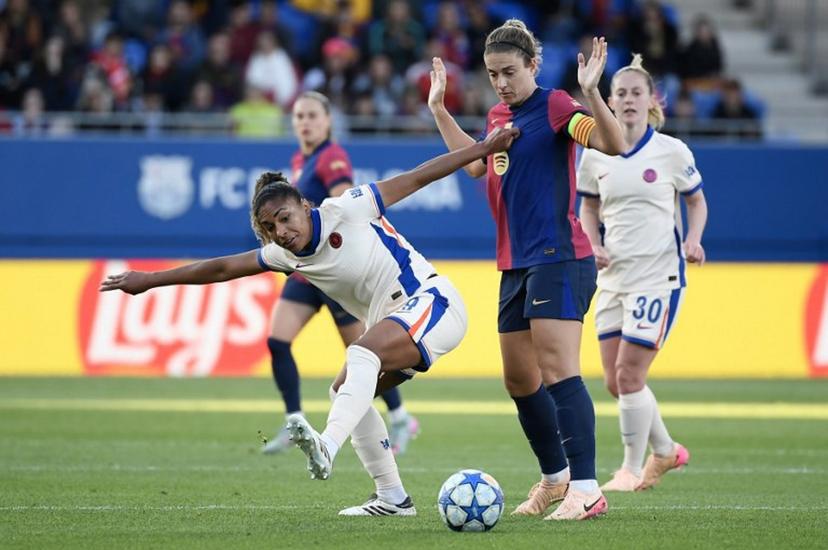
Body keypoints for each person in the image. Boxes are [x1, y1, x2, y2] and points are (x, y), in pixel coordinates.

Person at [100, 125, 520, 516]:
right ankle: (392, 498)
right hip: (398, 322)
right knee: (344, 390)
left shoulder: (349, 208)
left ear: (305, 205)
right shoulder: (285, 255)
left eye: (285, 218)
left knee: (361, 352)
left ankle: (327, 445)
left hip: (433, 301)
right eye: (269, 228)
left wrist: (482, 149)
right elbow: (222, 268)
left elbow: (417, 176)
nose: (280, 232)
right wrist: (149, 280)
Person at [428, 20, 626, 521]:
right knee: (519, 379)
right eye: (493, 74)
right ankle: (556, 480)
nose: (501, 82)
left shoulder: (558, 105)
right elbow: (475, 165)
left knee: (559, 371)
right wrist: (438, 109)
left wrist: (592, 93)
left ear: (533, 66)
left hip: (559, 256)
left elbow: (613, 143)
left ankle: (587, 489)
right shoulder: (498, 115)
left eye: (510, 72)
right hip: (515, 264)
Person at [262, 91, 420, 457]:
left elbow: (342, 204)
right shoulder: (301, 160)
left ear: (328, 120)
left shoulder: (332, 157)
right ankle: (294, 421)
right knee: (277, 340)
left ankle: (400, 416)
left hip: (334, 274)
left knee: (363, 354)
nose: (305, 122)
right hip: (307, 274)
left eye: (312, 115)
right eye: (299, 116)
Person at [577, 54, 708, 492]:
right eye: (621, 93)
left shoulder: (671, 151)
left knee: (631, 377)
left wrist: (694, 238)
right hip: (613, 279)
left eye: (637, 93)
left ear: (651, 99)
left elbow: (695, 199)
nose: (629, 100)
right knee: (616, 382)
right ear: (610, 102)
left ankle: (630, 470)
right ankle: (666, 451)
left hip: (658, 278)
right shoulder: (595, 154)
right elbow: (588, 206)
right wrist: (593, 242)